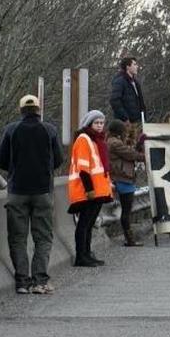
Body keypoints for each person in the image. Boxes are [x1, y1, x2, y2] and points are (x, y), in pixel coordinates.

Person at [0, 94, 65, 294]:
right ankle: (40, 280)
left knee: (17, 237)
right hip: (42, 191)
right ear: (39, 110)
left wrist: (16, 170)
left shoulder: (11, 130)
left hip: (17, 191)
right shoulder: (49, 130)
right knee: (43, 237)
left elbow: (0, 159)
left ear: (21, 110)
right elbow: (58, 159)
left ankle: (22, 282)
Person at [68, 110, 114, 267]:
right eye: (97, 123)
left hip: (97, 190)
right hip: (87, 190)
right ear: (89, 124)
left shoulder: (96, 140)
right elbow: (83, 168)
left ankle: (87, 254)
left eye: (102, 123)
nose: (100, 126)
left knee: (89, 224)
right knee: (84, 224)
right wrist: (89, 190)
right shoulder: (84, 139)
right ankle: (81, 256)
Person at [107, 119, 146, 247]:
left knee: (126, 210)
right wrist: (147, 155)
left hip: (121, 177)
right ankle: (129, 239)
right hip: (123, 178)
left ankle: (129, 238)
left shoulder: (112, 141)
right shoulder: (115, 143)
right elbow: (130, 154)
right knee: (126, 210)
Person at [109, 56, 146, 124]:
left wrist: (143, 118)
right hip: (125, 123)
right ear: (127, 67)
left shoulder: (135, 83)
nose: (137, 67)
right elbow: (114, 101)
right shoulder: (119, 81)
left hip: (137, 122)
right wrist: (125, 118)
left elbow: (140, 103)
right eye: (134, 64)